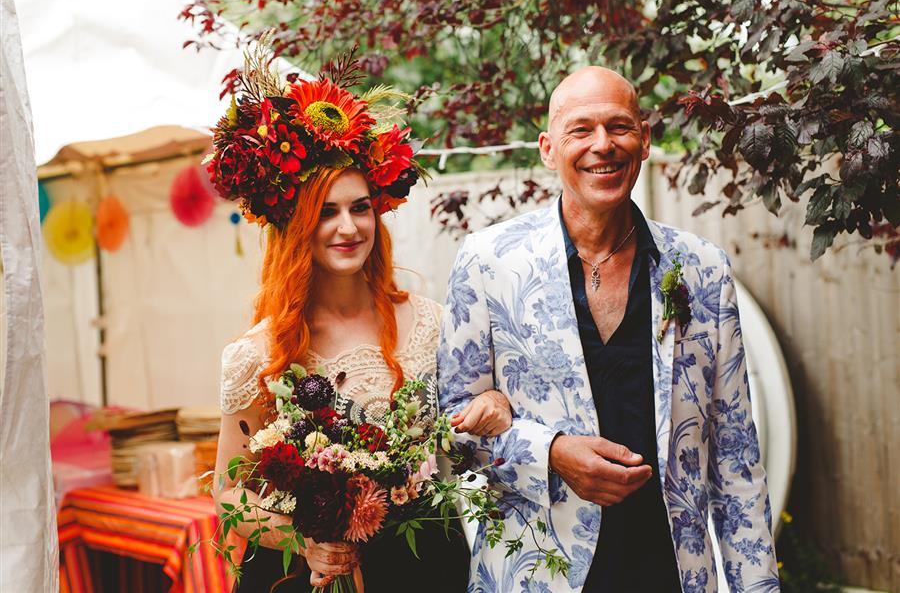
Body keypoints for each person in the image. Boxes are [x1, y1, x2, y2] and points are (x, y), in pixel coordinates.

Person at [438, 66, 779, 592]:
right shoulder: (488, 263)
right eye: (581, 130)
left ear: (643, 140)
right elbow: (450, 435)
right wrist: (549, 451)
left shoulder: (702, 268)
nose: (603, 145)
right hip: (539, 574)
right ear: (549, 149)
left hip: (670, 573)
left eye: (619, 127)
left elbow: (736, 458)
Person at [211, 74, 512, 592]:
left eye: (359, 207)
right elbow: (227, 493)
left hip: (422, 566)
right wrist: (301, 540)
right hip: (307, 576)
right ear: (295, 226)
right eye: (325, 212)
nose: (347, 228)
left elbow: (460, 453)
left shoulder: (432, 324)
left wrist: (495, 406)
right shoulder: (256, 354)